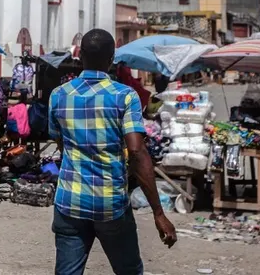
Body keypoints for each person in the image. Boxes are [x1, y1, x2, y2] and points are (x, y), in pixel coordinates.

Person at [48, 29, 176, 275]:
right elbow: (137, 152)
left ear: (80, 56)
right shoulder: (125, 96)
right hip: (110, 204)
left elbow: (61, 142)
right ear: (112, 58)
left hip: (69, 202)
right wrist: (159, 214)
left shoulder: (59, 95)